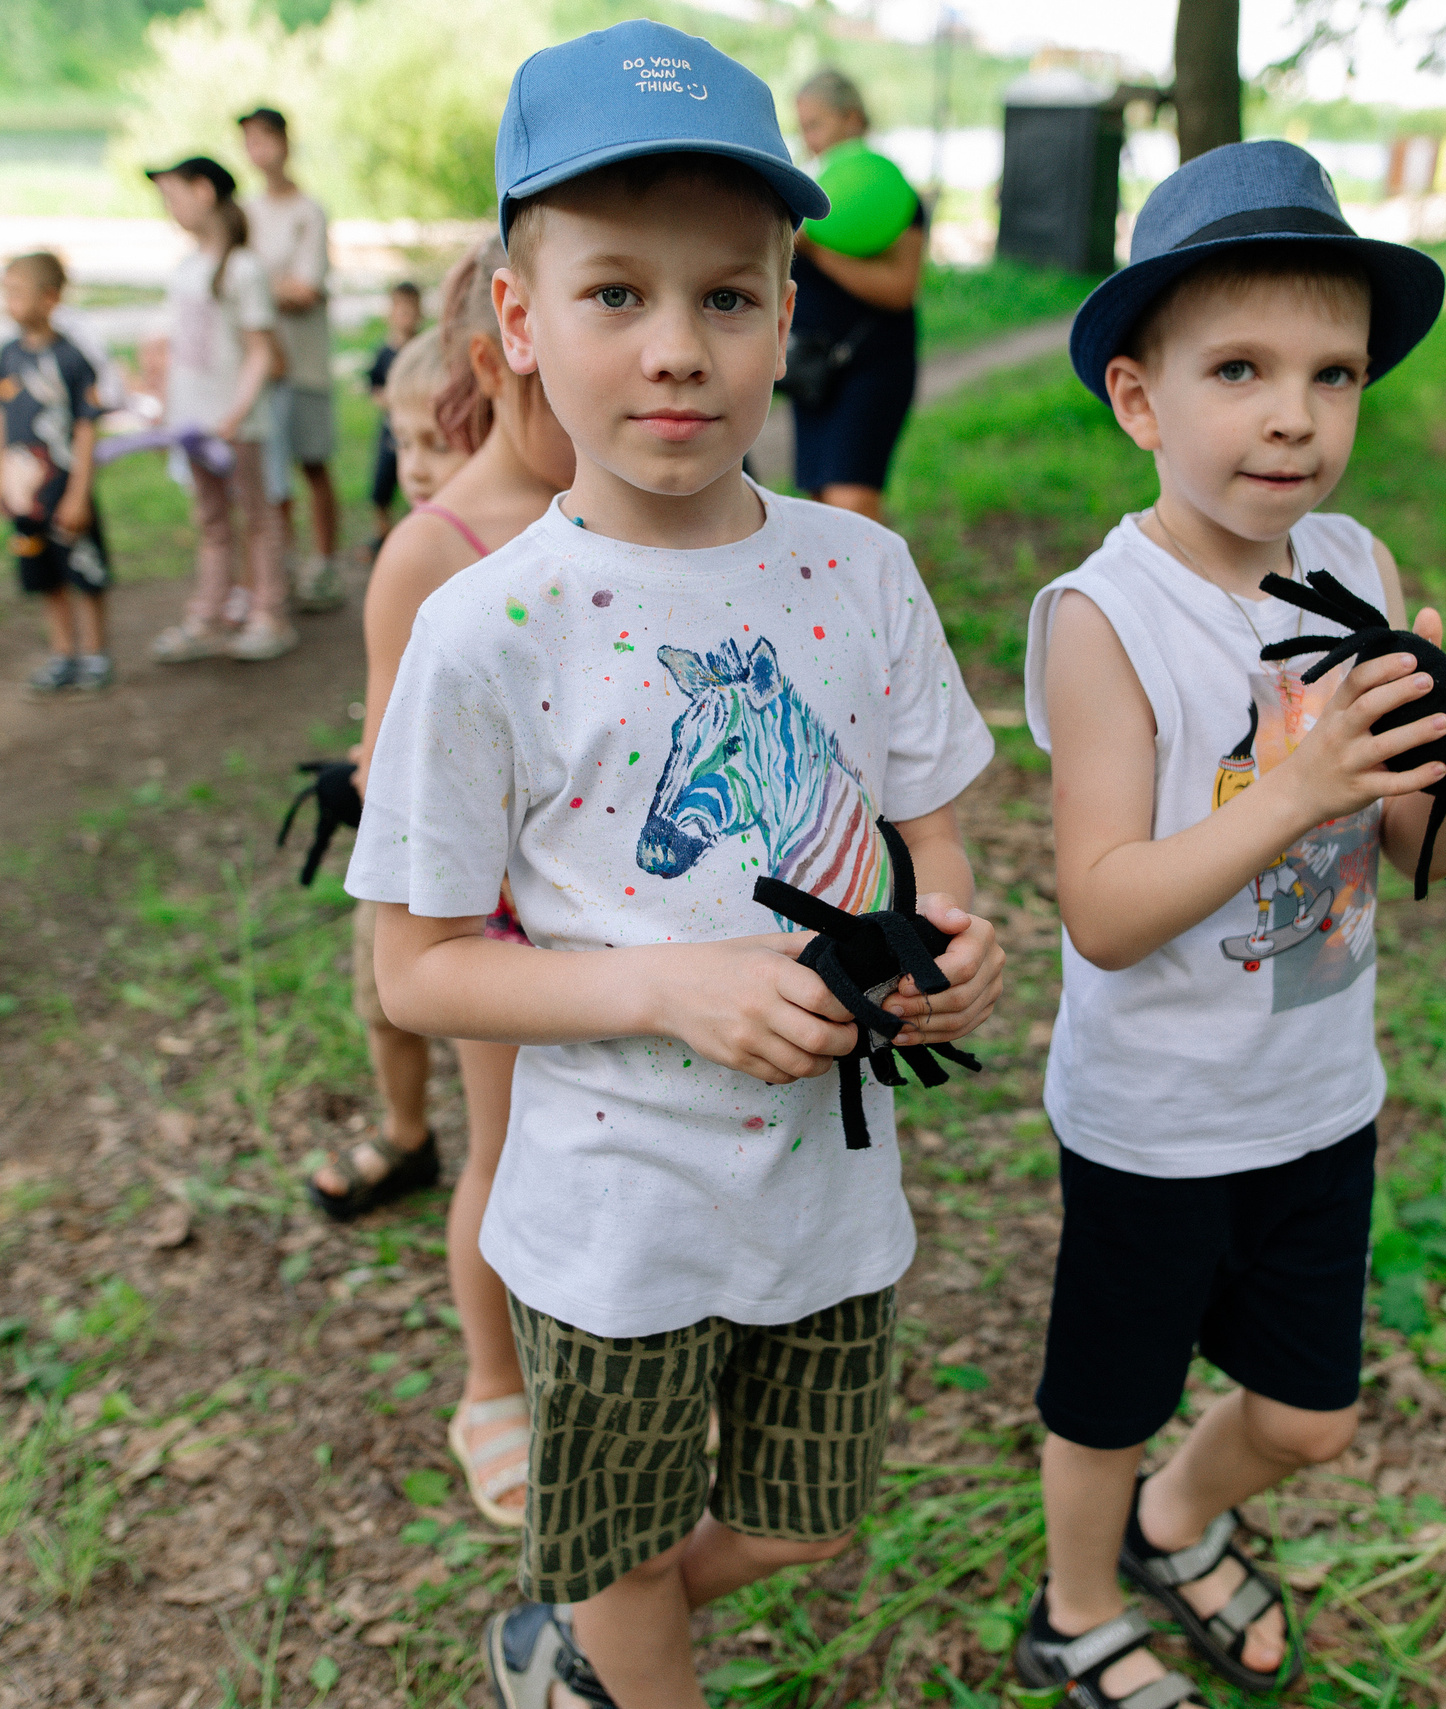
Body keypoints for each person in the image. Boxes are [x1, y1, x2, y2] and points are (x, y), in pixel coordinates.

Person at [341, 24, 1005, 1707]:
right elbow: (417, 967)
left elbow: (931, 818)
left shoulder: (860, 566)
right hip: (612, 1224)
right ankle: (618, 1635)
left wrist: (945, 932)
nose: (676, 349)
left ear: (793, 314)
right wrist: (662, 983)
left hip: (828, 1198)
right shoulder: (485, 623)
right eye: (615, 293)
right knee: (627, 1538)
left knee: (810, 1516)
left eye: (727, 296)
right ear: (518, 323)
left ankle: (584, 1626)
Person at [1012, 141, 1446, 1709]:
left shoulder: (1352, 565)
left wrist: (1445, 762)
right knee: (1108, 1399)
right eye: (1238, 369)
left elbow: (1404, 838)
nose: (1294, 413)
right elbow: (1102, 911)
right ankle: (1079, 1601)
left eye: (1333, 373)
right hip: (1158, 1116)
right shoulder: (1108, 619)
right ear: (1139, 399)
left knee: (1305, 1417)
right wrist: (1298, 785)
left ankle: (1186, 1514)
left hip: (1316, 1096)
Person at [313, 235, 577, 1532]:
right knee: (505, 1149)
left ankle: (628, 1353)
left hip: (636, 918)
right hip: (497, 925)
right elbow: (392, 777)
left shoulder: (639, 503)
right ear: (505, 356)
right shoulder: (435, 549)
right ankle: (493, 1387)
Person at [140, 155, 293, 665]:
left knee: (256, 517)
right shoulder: (186, 268)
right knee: (210, 519)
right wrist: (163, 401)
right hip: (193, 422)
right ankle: (208, 613)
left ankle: (268, 613)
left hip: (238, 424)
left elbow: (260, 350)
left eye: (175, 194)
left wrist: (236, 411)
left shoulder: (245, 270)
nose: (171, 207)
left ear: (204, 191)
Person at [784, 69, 925, 523]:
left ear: (851, 118)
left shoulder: (890, 194)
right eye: (802, 128)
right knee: (819, 506)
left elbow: (901, 289)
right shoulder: (810, 201)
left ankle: (869, 593)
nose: (810, 140)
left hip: (870, 362)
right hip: (813, 370)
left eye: (816, 125)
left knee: (852, 505)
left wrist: (816, 251)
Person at [0, 251, 111, 698]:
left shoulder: (73, 359)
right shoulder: (6, 357)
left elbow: (86, 426)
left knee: (83, 567)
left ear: (51, 297)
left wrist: (79, 492)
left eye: (18, 292)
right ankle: (63, 653)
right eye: (6, 292)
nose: (9, 301)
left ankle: (95, 652)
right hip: (24, 495)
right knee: (42, 573)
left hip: (64, 489)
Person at [237, 106, 343, 614]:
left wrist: (257, 290)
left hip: (304, 360)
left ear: (284, 142)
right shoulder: (246, 212)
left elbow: (305, 288)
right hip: (263, 363)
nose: (259, 151)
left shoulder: (308, 211)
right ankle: (281, 561)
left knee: (313, 461)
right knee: (270, 469)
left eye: (265, 139)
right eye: (249, 142)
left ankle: (324, 562)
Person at [363, 279, 430, 554]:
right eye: (400, 309)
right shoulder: (385, 352)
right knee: (382, 484)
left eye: (410, 310)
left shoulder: (424, 351)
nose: (405, 316)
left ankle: (420, 535)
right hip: (391, 431)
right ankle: (382, 537)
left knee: (419, 481)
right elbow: (373, 386)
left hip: (419, 429)